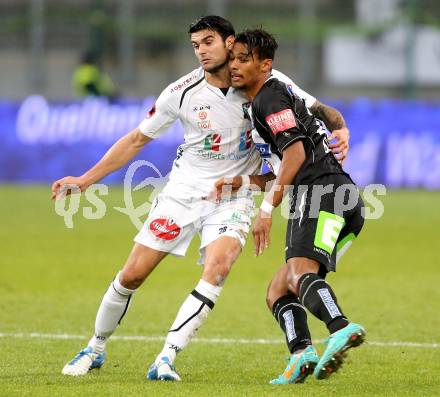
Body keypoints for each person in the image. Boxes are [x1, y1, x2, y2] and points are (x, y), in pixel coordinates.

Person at [53, 16, 350, 381]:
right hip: (184, 191)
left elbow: (317, 108)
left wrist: (340, 128)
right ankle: (95, 347)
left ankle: (167, 357)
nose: (202, 51)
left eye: (208, 42)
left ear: (229, 43)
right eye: (195, 45)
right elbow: (135, 140)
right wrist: (85, 180)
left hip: (234, 195)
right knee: (132, 275)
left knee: (219, 267)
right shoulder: (180, 92)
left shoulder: (266, 83)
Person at [215, 28, 366, 385]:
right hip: (338, 196)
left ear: (265, 65)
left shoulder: (269, 98)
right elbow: (287, 163)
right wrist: (243, 183)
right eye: (232, 58)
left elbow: (296, 154)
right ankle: (302, 354)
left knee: (298, 276)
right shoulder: (264, 102)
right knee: (278, 290)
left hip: (320, 193)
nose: (233, 66)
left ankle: (341, 327)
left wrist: (266, 210)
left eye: (242, 60)